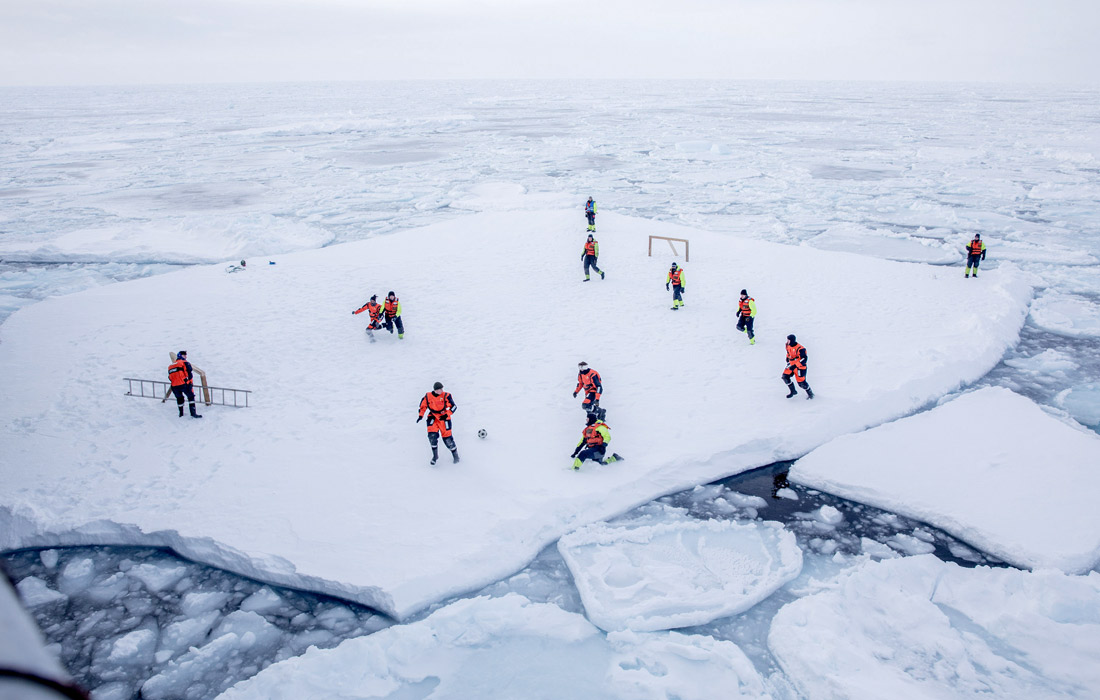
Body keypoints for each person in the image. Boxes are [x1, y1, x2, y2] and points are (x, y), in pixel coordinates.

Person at [418, 382, 460, 465]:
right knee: (432, 437)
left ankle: (455, 455)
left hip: (444, 418)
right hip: (433, 417)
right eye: (439, 389)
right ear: (435, 390)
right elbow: (422, 406)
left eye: (442, 389)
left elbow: (454, 407)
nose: (441, 390)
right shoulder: (428, 396)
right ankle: (435, 456)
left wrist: (447, 414)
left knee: (448, 439)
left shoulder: (446, 395)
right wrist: (421, 415)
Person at [168, 351, 202, 418]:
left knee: (179, 398)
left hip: (174, 386)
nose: (186, 357)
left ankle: (181, 413)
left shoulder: (170, 366)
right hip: (184, 384)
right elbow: (189, 373)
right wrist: (189, 382)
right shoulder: (184, 362)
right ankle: (193, 413)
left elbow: (169, 377)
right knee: (191, 397)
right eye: (184, 355)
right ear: (180, 356)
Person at [782, 334, 814, 400]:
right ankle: (793, 391)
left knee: (801, 383)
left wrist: (795, 366)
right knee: (785, 377)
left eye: (789, 340)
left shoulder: (801, 349)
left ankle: (810, 394)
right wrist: (787, 359)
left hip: (800, 367)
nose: (787, 341)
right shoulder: (788, 345)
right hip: (791, 364)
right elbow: (788, 353)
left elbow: (804, 359)